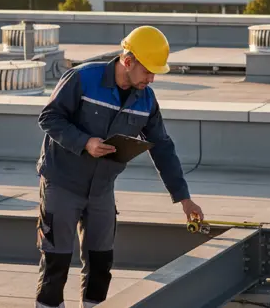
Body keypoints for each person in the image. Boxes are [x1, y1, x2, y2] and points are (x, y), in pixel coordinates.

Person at [34, 25, 205, 308]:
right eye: (147, 71)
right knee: (56, 263)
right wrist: (85, 142)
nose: (151, 79)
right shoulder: (82, 79)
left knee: (101, 263)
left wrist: (184, 199)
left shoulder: (146, 100)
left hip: (101, 190)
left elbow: (162, 147)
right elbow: (49, 117)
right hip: (62, 183)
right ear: (128, 61)